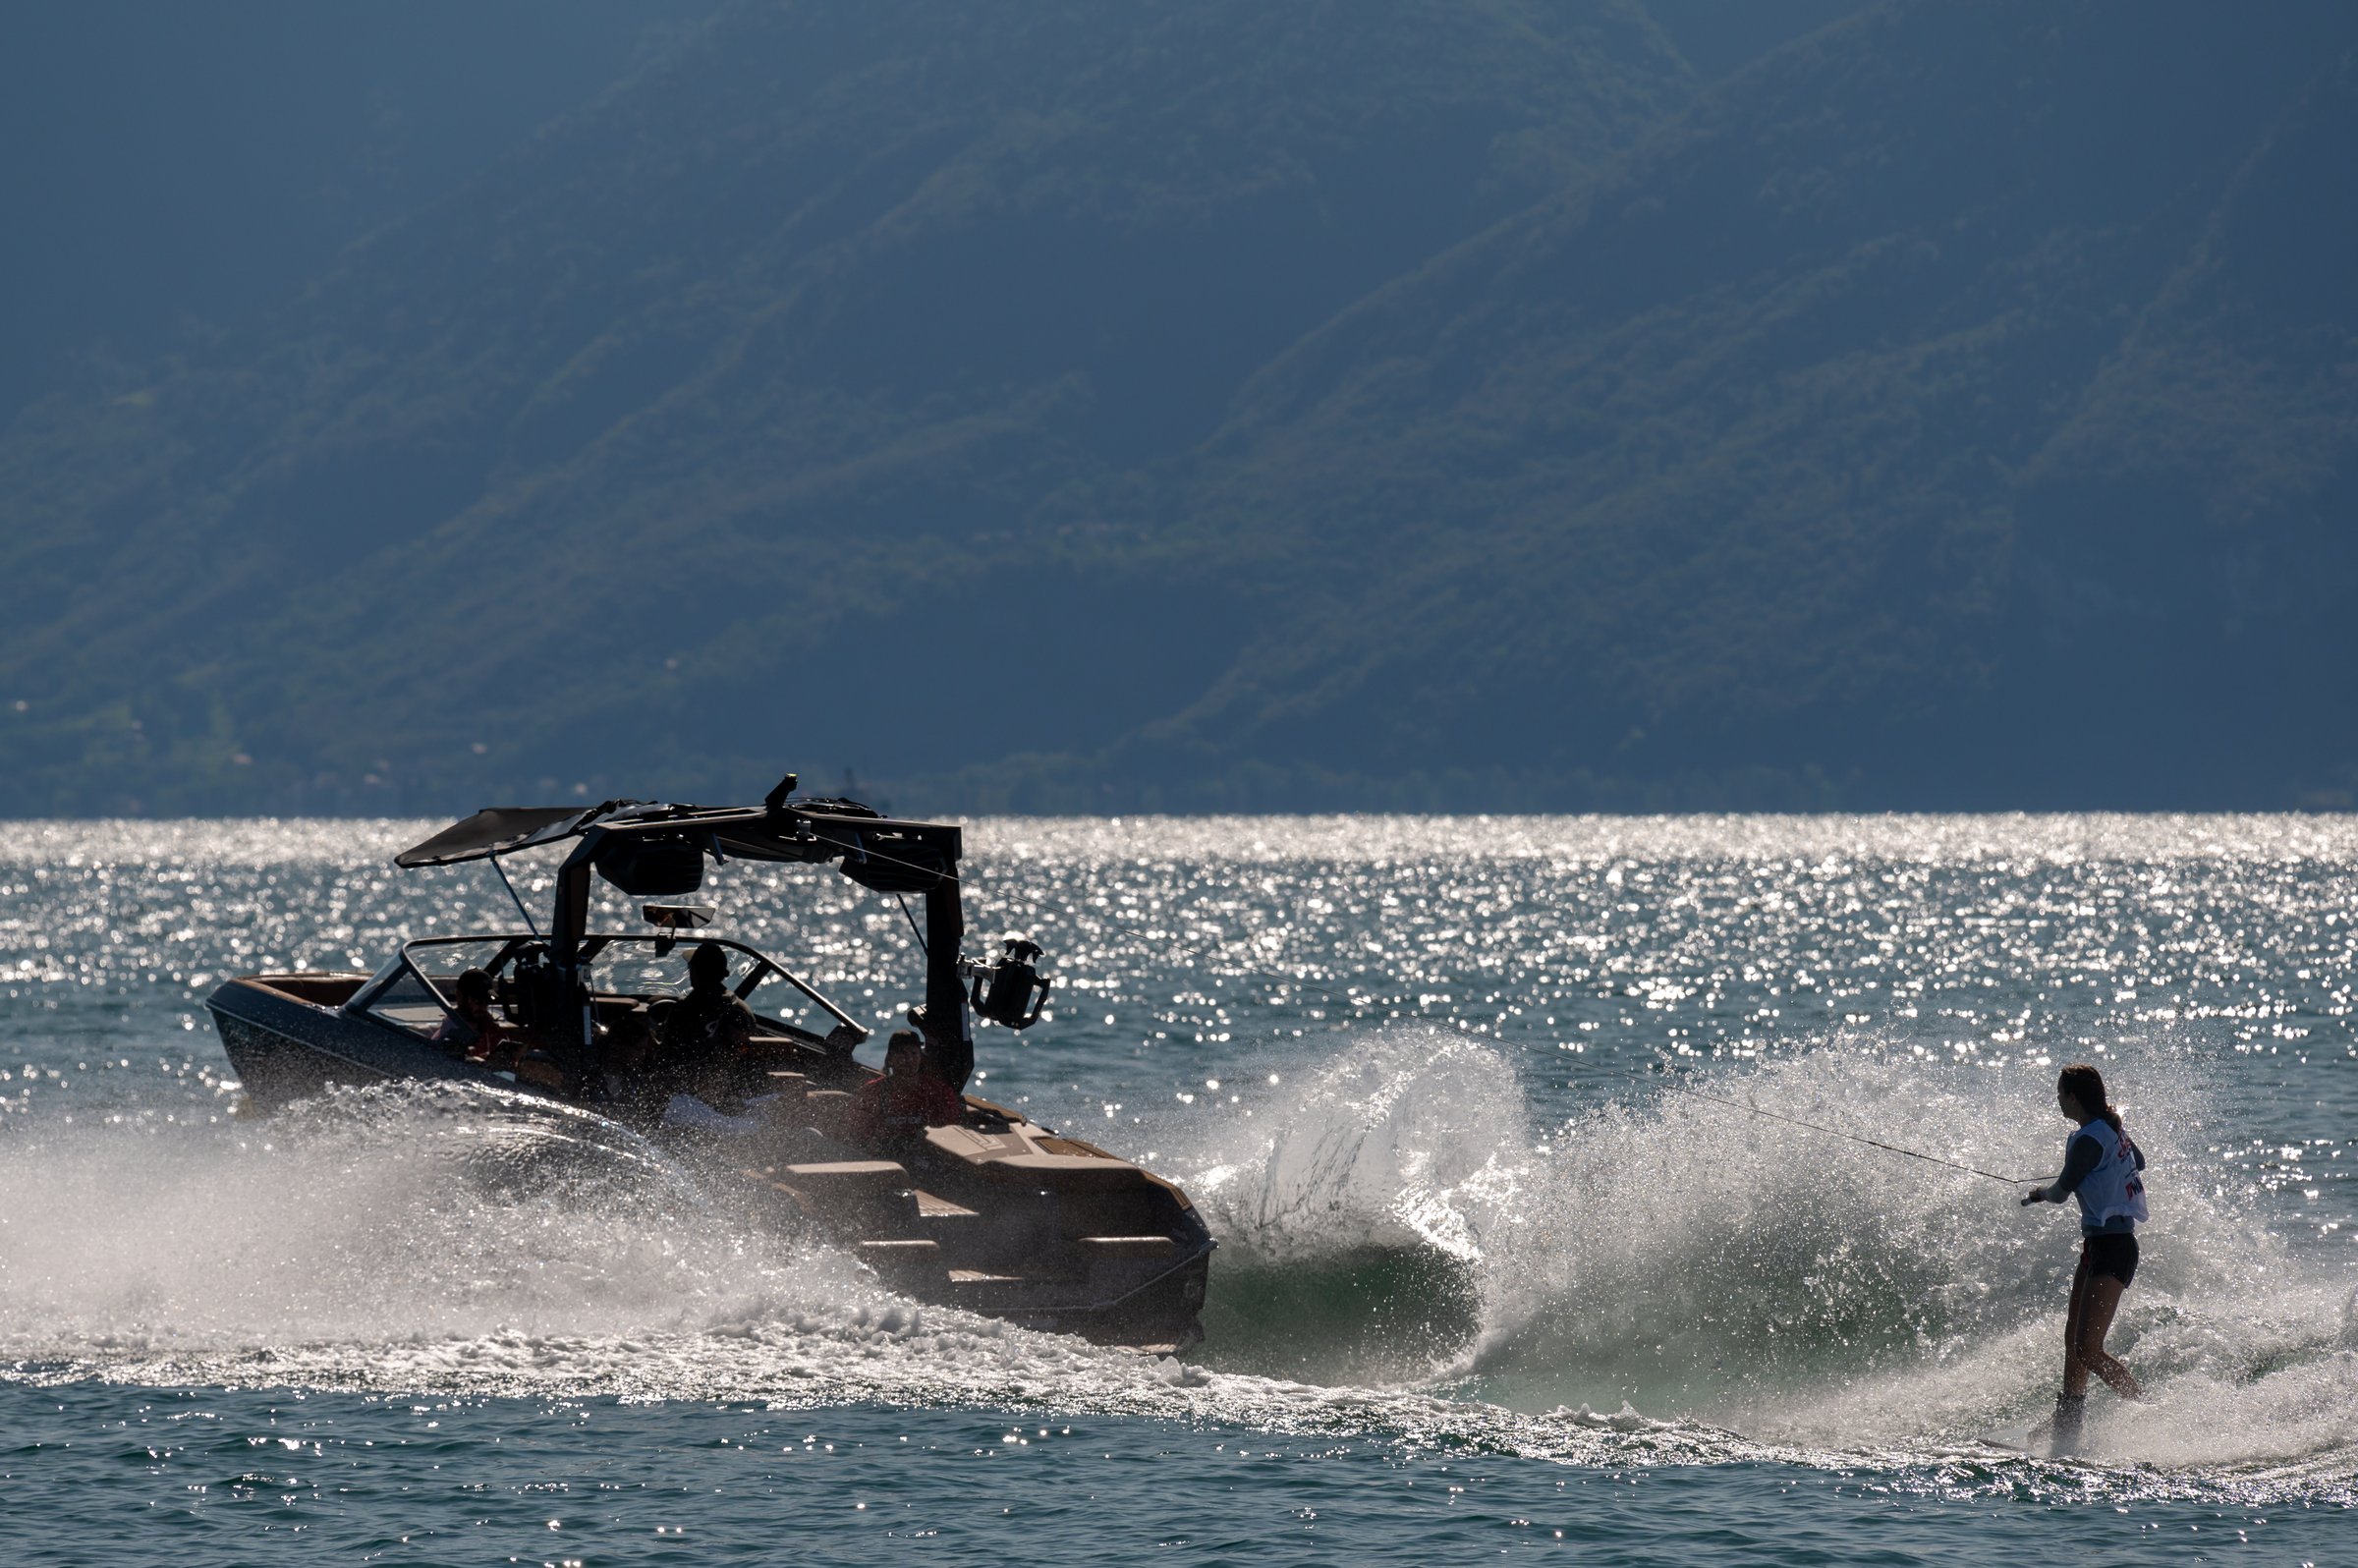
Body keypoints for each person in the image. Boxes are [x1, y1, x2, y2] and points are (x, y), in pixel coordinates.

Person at [2021, 1062, 2148, 1439]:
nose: (2058, 1100)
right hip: (2097, 1246)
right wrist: (2096, 1170)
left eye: (2060, 1094)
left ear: (2074, 1098)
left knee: (2089, 1349)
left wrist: (2038, 1194)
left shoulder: (2088, 1139)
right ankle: (2068, 1421)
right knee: (2073, 1341)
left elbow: (2060, 1193)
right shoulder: (2109, 1129)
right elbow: (2137, 1161)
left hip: (2115, 1248)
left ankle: (2147, 1410)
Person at [646, 942, 758, 1105]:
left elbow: (666, 1056)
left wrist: (650, 1038)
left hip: (685, 1092)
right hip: (725, 1089)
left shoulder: (684, 1010)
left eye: (690, 968)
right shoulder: (742, 1009)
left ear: (695, 973)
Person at [850, 1030, 965, 1143]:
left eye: (913, 1054)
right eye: (902, 1054)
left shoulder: (938, 1092)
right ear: (890, 1058)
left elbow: (953, 1131)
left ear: (920, 1058)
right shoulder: (872, 1092)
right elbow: (856, 1133)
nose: (909, 1059)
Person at [431, 968, 509, 1065]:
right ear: (460, 997)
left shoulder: (489, 1026)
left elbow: (507, 1052)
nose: (483, 1007)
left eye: (486, 1002)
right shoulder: (449, 1035)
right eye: (477, 1001)